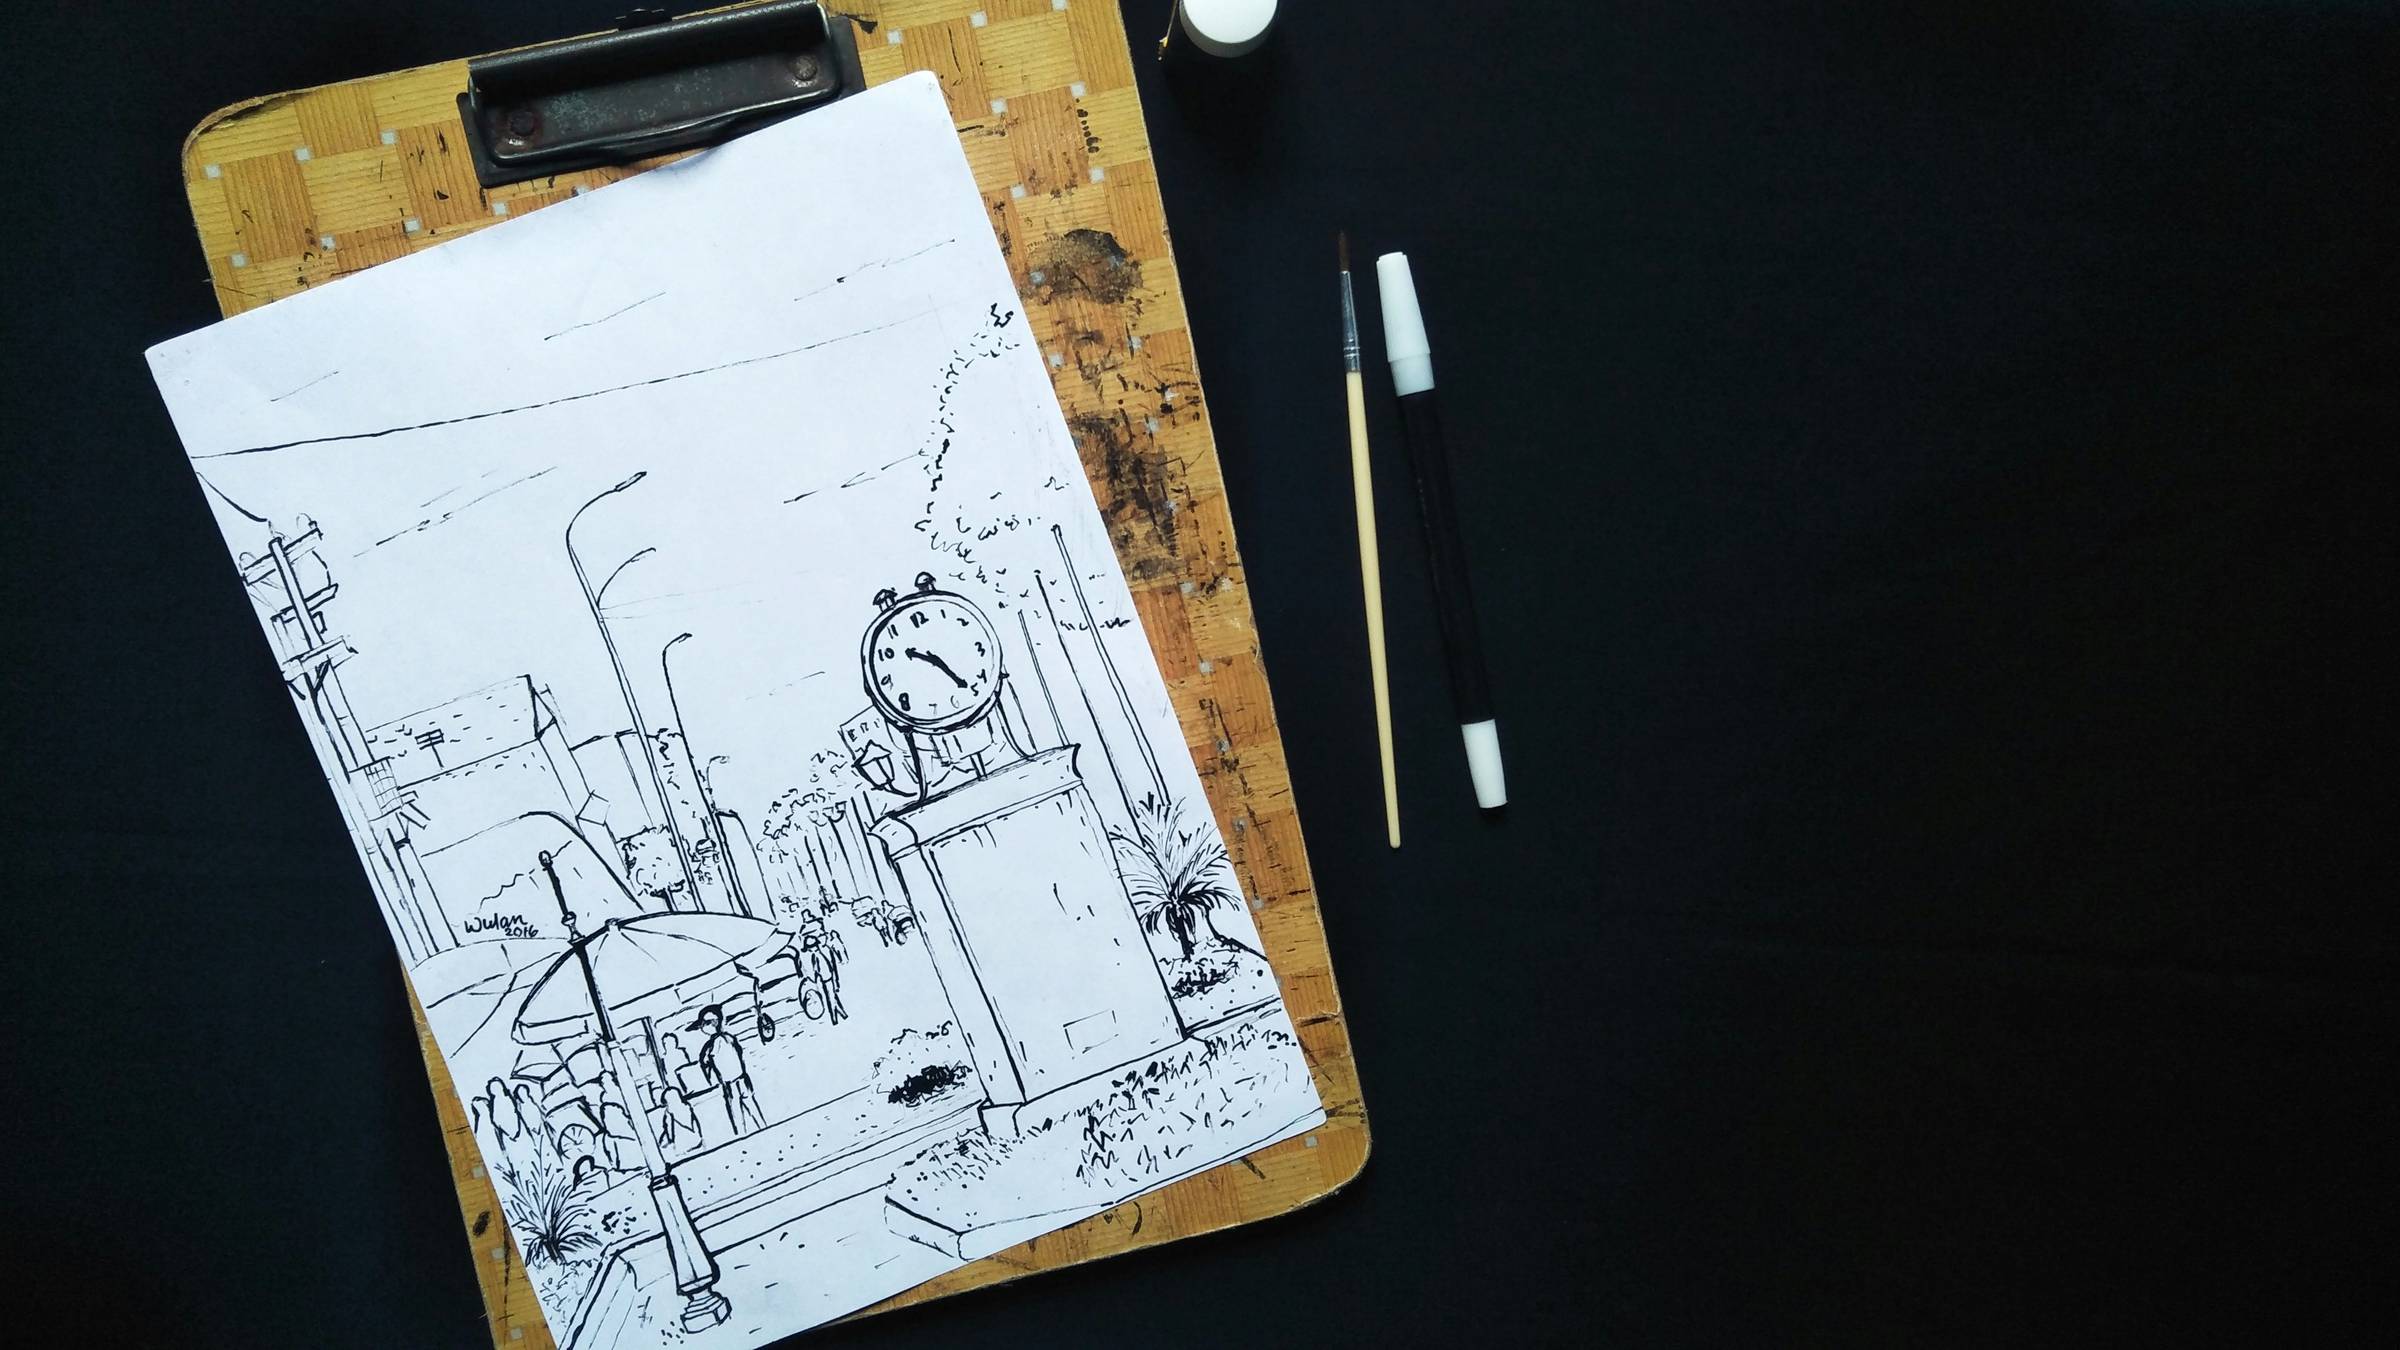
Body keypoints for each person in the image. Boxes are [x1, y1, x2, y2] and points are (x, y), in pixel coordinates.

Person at [690, 1004, 765, 1135]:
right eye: (705, 1024)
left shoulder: (719, 1041)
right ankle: (752, 1131)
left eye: (707, 1023)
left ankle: (755, 1130)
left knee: (743, 1109)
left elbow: (706, 1062)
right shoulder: (723, 1040)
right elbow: (706, 1062)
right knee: (743, 1109)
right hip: (735, 1081)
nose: (703, 1027)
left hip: (737, 1080)